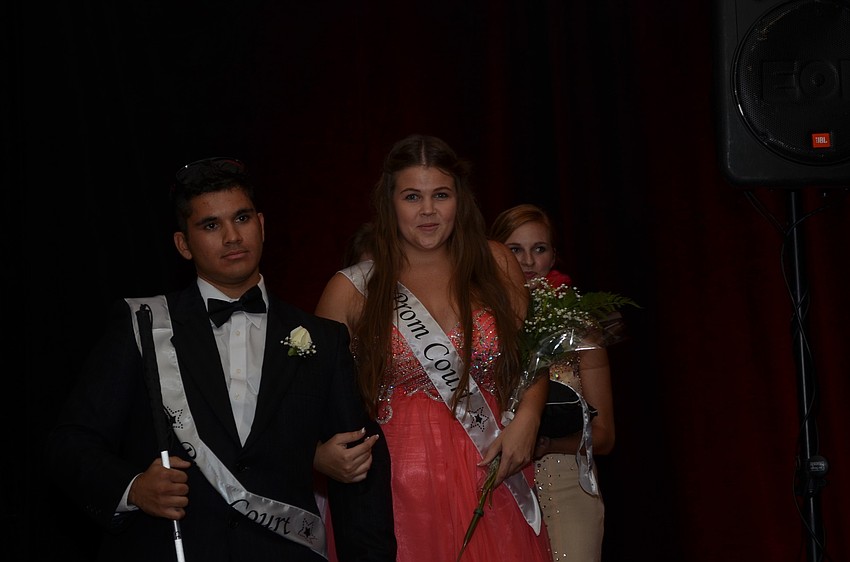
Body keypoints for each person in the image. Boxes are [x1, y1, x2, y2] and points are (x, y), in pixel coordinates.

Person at [45, 157, 396, 562]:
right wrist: (134, 488)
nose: (232, 236)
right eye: (211, 225)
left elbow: (360, 467)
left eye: (242, 218)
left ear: (261, 225)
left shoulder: (323, 339)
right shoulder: (143, 324)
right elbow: (70, 444)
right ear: (183, 244)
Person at [313, 134, 553, 562]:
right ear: (389, 203)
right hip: (398, 487)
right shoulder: (352, 289)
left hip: (493, 469)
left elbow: (530, 356)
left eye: (440, 195)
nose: (428, 210)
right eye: (412, 196)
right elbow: (308, 397)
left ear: (460, 199)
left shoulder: (496, 263)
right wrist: (317, 455)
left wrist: (530, 417)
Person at [489, 203, 614, 562]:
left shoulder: (581, 327)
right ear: (495, 254)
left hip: (566, 486)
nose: (528, 261)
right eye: (515, 249)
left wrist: (548, 443)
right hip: (498, 484)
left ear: (554, 255)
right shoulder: (478, 324)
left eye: (539, 249)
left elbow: (605, 437)